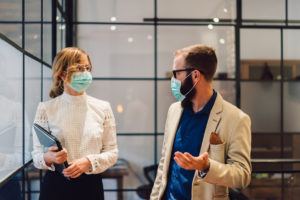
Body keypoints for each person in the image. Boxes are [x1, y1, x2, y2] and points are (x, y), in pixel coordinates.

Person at [150, 44, 251, 200]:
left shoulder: (236, 119)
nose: (173, 79)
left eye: (176, 73)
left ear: (195, 76)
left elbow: (242, 176)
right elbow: (164, 165)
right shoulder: (174, 110)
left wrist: (207, 167)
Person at [31, 47, 118, 200]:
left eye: (87, 68)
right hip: (55, 186)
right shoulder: (46, 108)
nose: (85, 73)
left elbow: (112, 152)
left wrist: (89, 161)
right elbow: (36, 155)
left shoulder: (103, 108)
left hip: (90, 186)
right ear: (62, 74)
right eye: (79, 68)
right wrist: (49, 158)